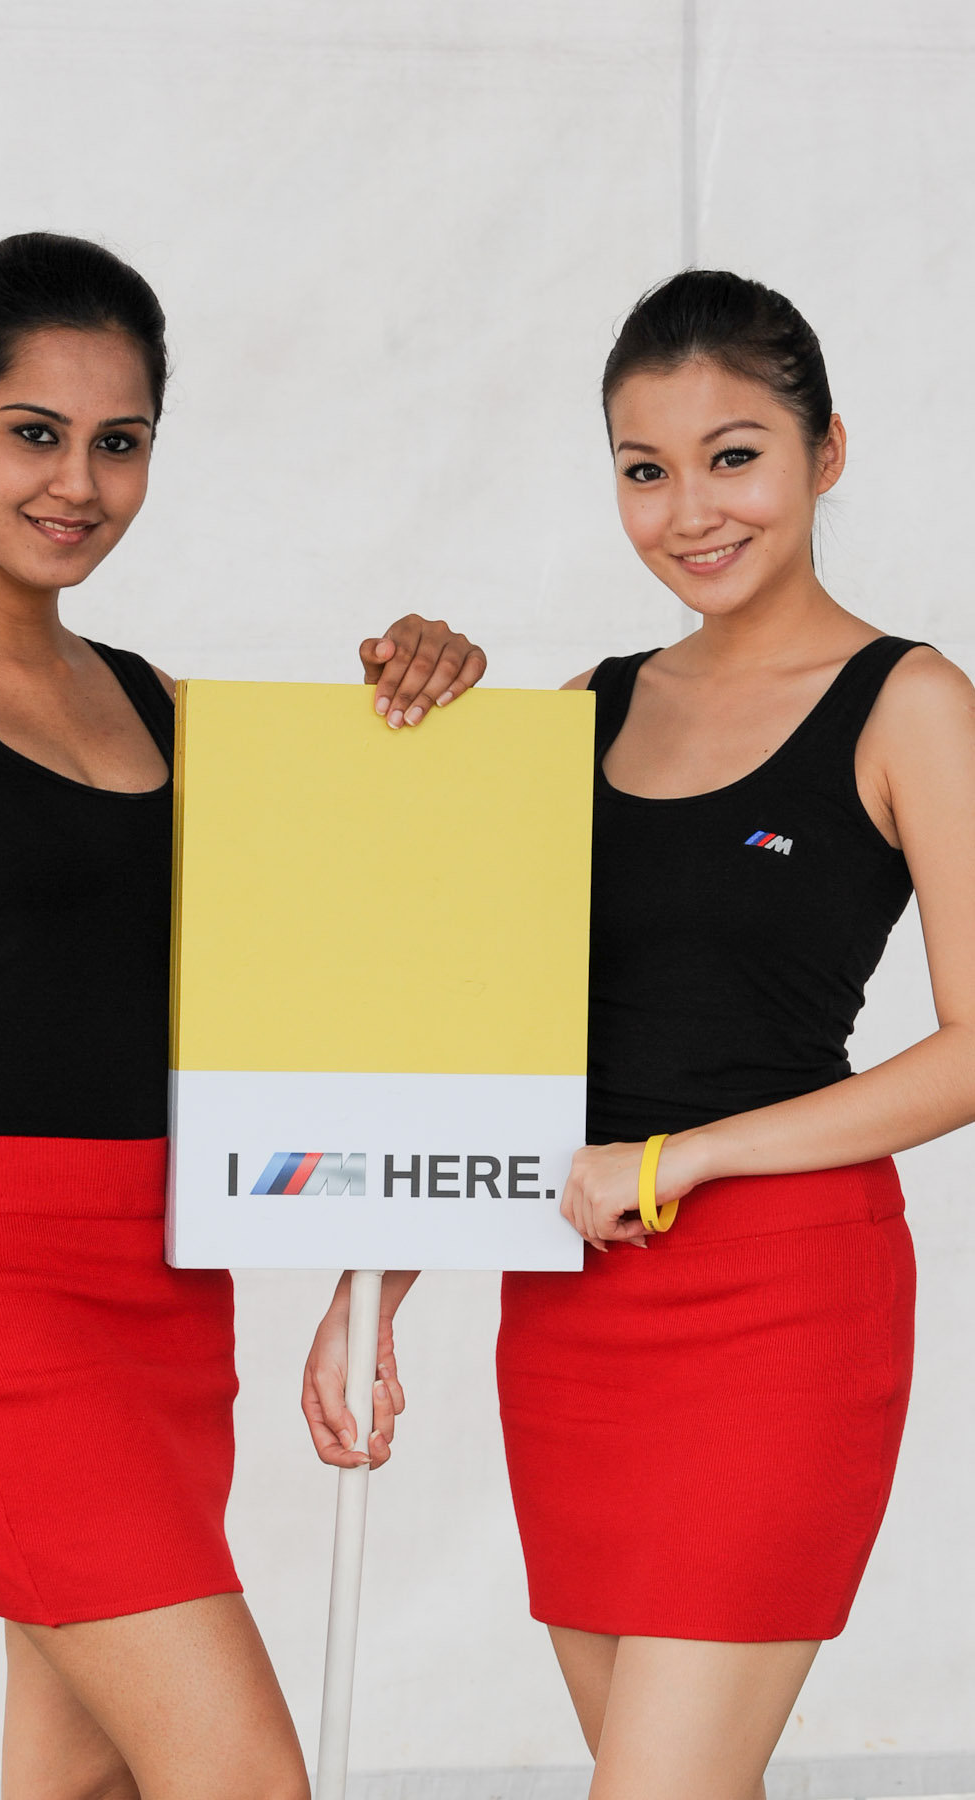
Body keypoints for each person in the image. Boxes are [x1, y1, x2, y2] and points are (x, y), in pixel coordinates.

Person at [0, 230, 486, 1800]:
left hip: (163, 1276)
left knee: (85, 1779)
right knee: (240, 1775)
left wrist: (425, 712)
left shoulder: (158, 701)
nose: (78, 483)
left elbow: (348, 946)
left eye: (120, 442)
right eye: (35, 432)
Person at [304, 268, 975, 1799]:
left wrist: (676, 1161)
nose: (689, 511)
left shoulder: (907, 703)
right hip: (570, 1311)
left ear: (825, 451)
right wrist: (377, 1276)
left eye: (733, 456)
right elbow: (496, 1028)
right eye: (643, 469)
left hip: (779, 1301)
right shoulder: (583, 709)